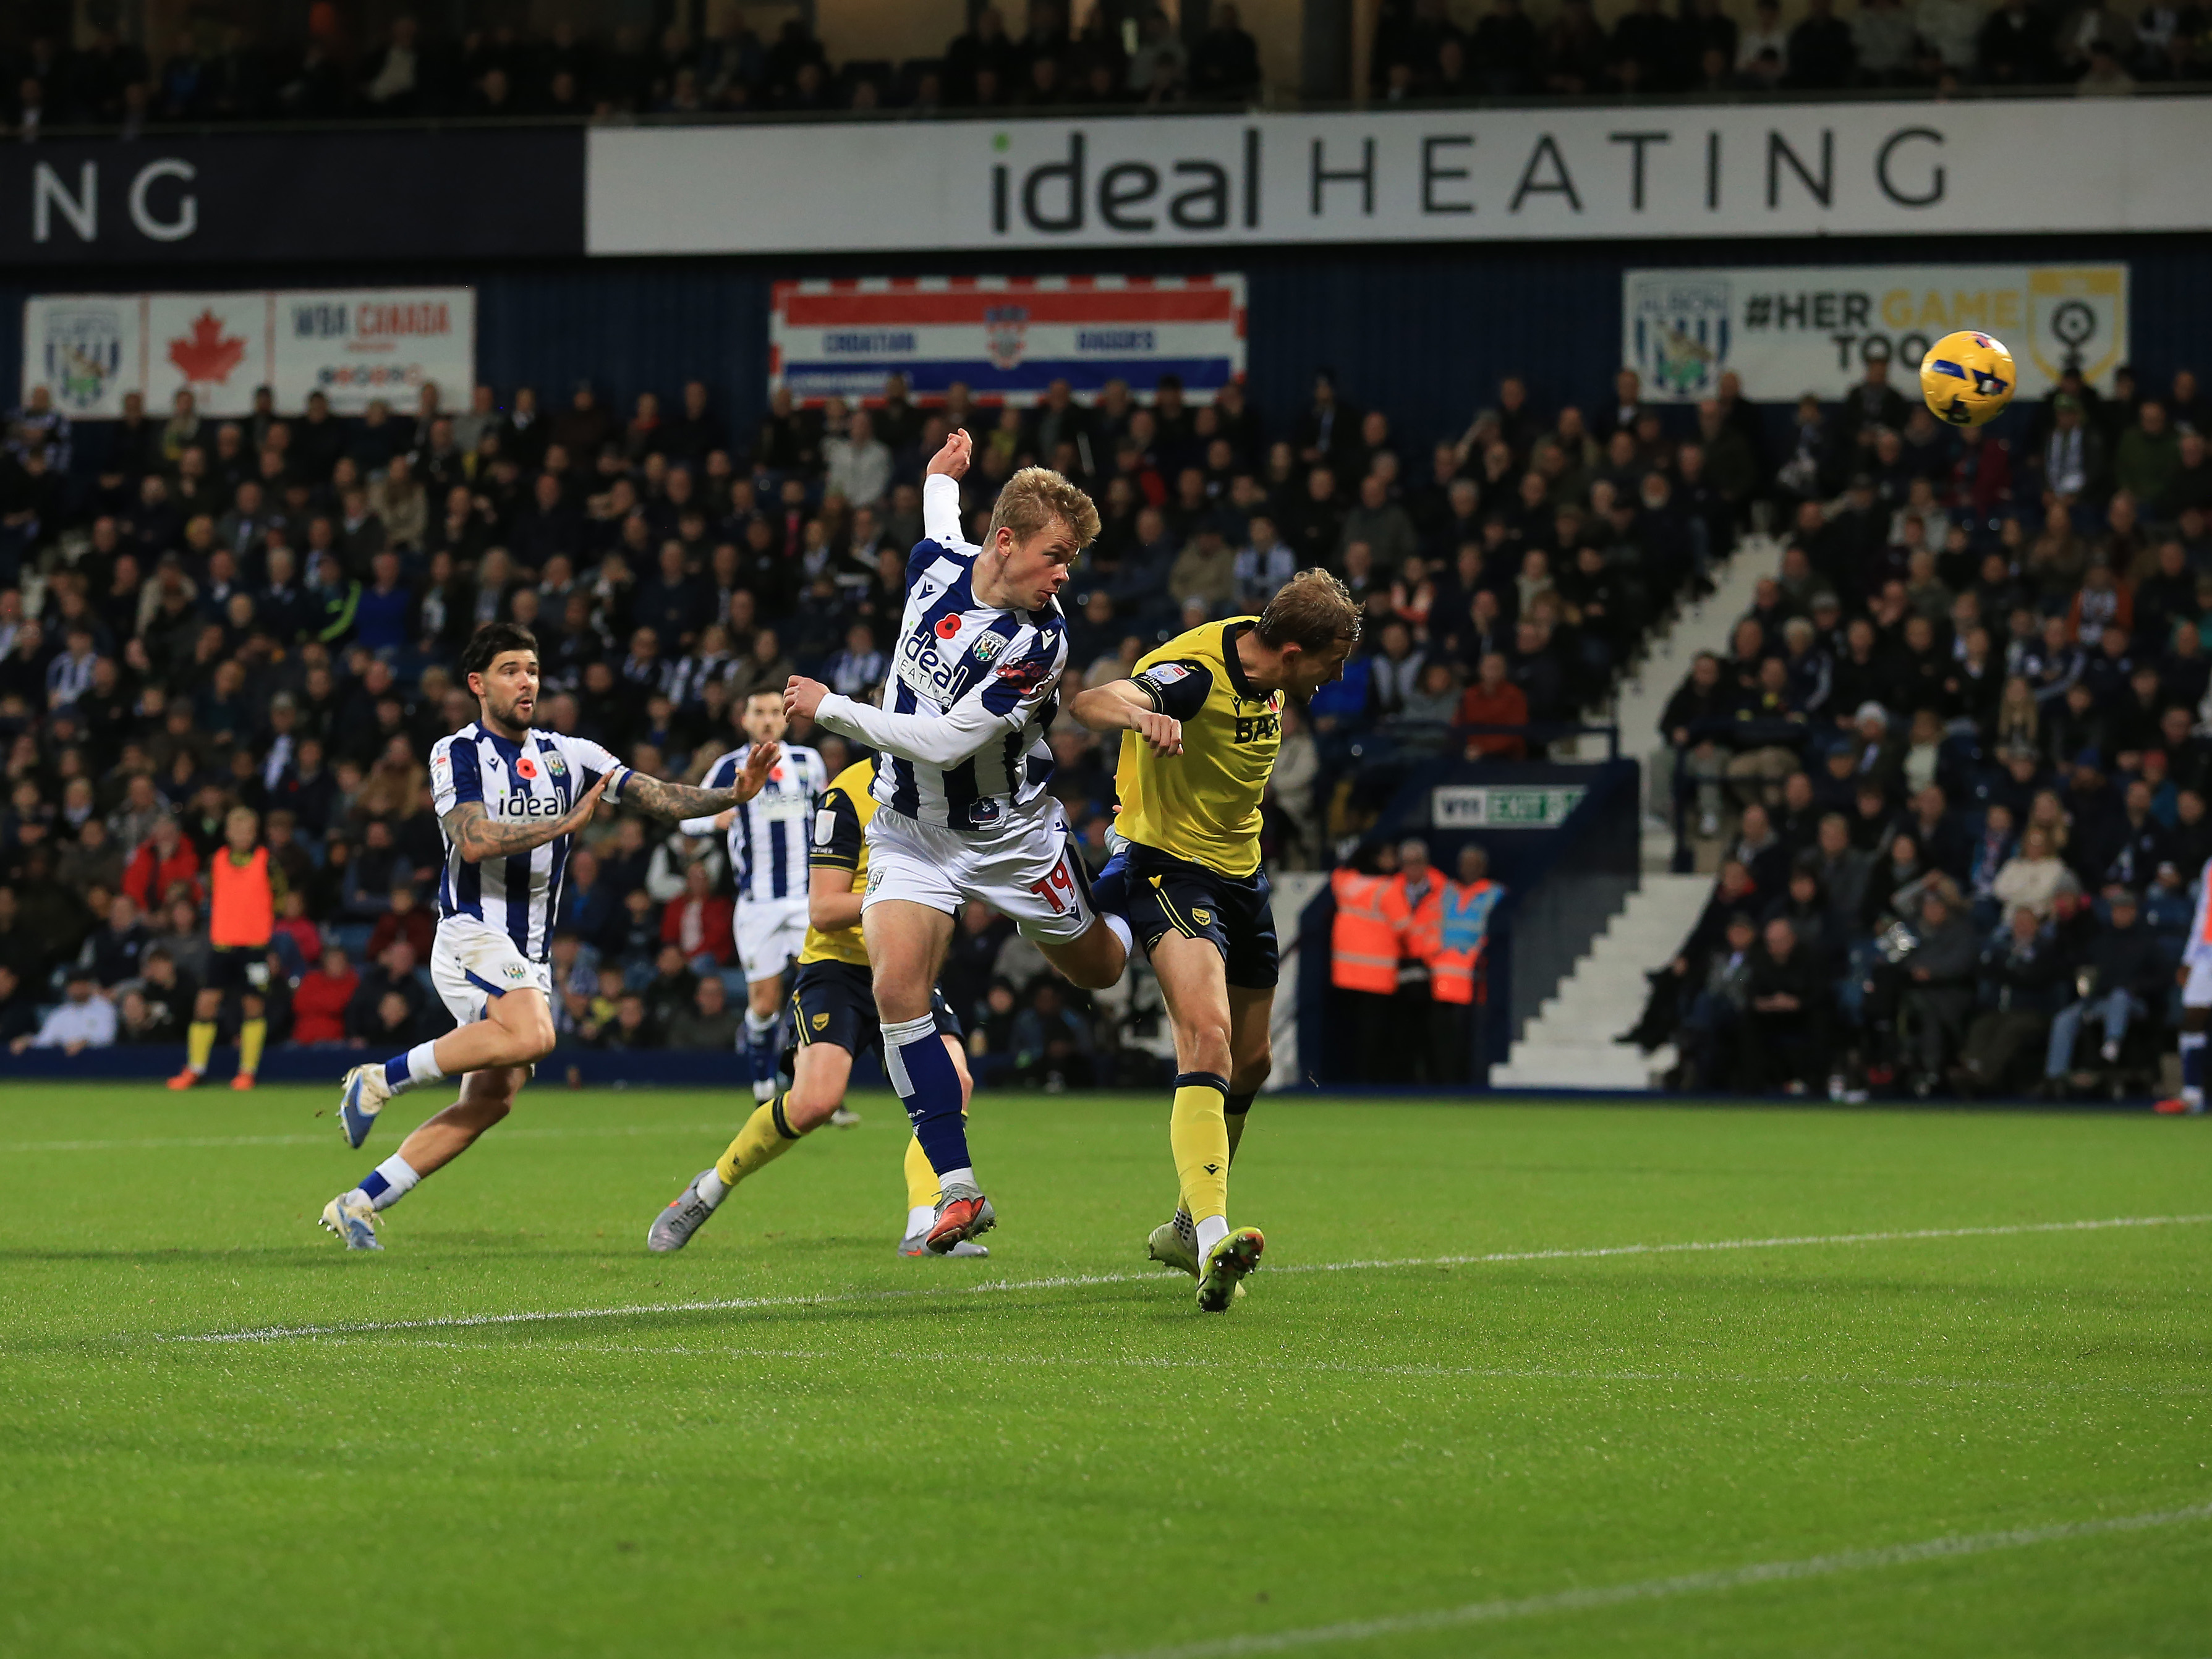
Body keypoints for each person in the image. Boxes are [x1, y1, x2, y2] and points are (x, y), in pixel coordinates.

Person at [317, 622, 781, 1251]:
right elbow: (473, 838)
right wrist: (566, 822)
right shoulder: (454, 752)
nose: (526, 680)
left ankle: (359, 1202)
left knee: (493, 1099)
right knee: (537, 1032)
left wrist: (734, 792)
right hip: (471, 930)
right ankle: (379, 1077)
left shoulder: (574, 754)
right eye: (510, 669)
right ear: (478, 684)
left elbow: (660, 798)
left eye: (532, 668)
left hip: (527, 951)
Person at [785, 430, 1130, 1256]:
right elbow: (942, 516)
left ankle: (1127, 867)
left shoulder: (1038, 645)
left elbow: (940, 743)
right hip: (909, 831)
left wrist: (831, 707)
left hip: (1006, 837)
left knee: (1102, 970)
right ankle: (957, 1187)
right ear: (1003, 542)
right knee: (899, 987)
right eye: (1056, 554)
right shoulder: (939, 562)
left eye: (1072, 559)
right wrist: (937, 474)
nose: (1064, 573)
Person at [1071, 568, 1359, 1310]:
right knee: (1208, 1039)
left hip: (1240, 874)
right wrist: (1141, 716)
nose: (1338, 673)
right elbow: (1092, 699)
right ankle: (1211, 1239)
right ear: (1294, 651)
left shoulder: (1265, 662)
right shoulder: (1195, 674)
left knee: (1252, 1063)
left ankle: (1179, 1223)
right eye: (1333, 658)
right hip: (1165, 869)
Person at [649, 755, 987, 1259]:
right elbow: (824, 910)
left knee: (954, 1081)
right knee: (814, 1104)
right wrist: (904, 894)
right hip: (838, 968)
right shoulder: (848, 793)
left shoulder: (954, 789)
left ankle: (923, 1224)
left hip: (906, 962)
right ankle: (708, 1190)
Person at [682, 689, 829, 1103]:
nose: (767, 720)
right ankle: (764, 1085)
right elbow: (688, 820)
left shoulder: (807, 763)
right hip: (757, 904)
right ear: (743, 720)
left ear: (786, 719)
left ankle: (810, 1082)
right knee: (764, 1005)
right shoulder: (729, 767)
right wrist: (716, 818)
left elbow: (829, 811)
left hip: (805, 900)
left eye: (773, 713)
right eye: (758, 713)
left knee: (817, 991)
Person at [168, 804, 281, 1093]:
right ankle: (195, 1069)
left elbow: (281, 896)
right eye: (237, 829)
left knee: (253, 1006)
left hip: (255, 947)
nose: (242, 835)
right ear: (228, 832)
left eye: (248, 830)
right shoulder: (216, 861)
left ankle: (247, 1072)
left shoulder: (267, 862)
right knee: (205, 1004)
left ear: (254, 834)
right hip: (222, 945)